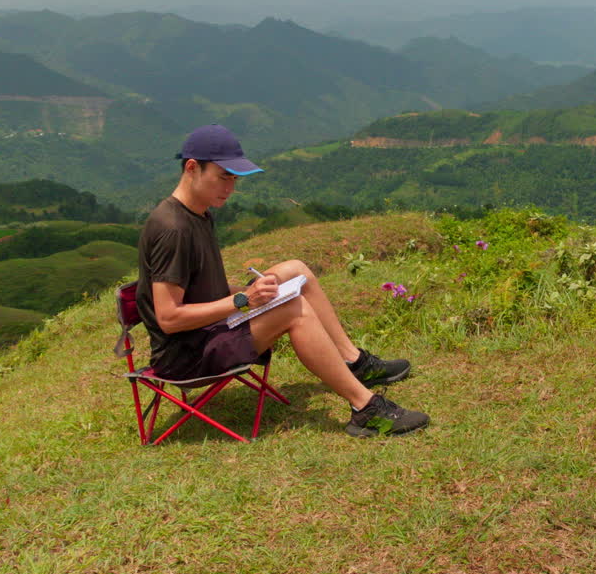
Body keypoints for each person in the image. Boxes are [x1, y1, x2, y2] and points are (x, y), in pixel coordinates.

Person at [136, 124, 429, 438]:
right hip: (187, 356)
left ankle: (353, 361)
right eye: (223, 176)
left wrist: (251, 292)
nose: (230, 188)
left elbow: (202, 291)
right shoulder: (173, 229)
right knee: (295, 309)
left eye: (234, 179)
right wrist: (242, 300)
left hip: (207, 333)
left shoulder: (198, 213)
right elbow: (168, 318)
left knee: (294, 270)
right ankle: (365, 407)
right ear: (192, 168)